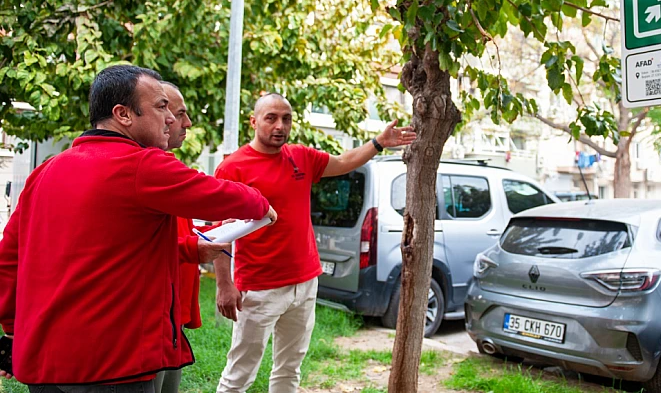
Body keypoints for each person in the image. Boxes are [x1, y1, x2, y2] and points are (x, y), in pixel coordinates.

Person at [0, 65, 277, 391]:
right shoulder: (141, 163)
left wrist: (12, 330)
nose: (172, 119)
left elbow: (9, 258)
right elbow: (223, 195)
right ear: (123, 115)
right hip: (112, 364)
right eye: (161, 107)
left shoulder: (45, 172)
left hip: (44, 363)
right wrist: (262, 205)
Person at [214, 93, 415, 393]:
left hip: (305, 283)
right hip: (258, 287)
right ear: (254, 121)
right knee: (240, 373)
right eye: (271, 118)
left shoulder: (301, 157)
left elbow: (344, 161)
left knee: (290, 369)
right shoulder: (233, 168)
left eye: (286, 118)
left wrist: (378, 143)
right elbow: (218, 233)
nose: (280, 125)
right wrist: (223, 284)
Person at [152, 81, 216, 393]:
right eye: (178, 113)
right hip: (148, 326)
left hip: (171, 320)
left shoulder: (169, 167)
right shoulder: (143, 170)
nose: (185, 123)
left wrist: (201, 238)